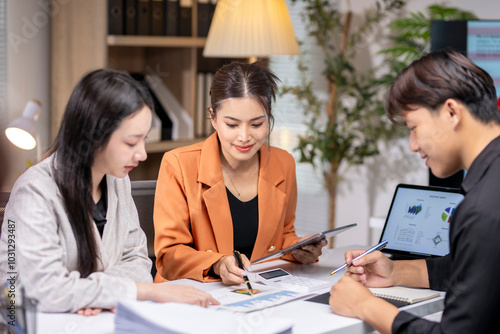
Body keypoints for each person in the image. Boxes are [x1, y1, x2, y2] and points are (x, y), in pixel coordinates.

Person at [0, 69, 218, 315]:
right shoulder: (35, 190)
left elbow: (138, 260)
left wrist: (95, 295)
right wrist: (139, 292)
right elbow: (43, 289)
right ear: (93, 134)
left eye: (144, 139)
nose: (142, 154)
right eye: (130, 142)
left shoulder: (117, 180)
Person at [328, 49, 500, 333]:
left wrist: (365, 306)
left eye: (413, 127)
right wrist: (398, 271)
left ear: (451, 112)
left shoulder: (483, 208)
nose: (412, 145)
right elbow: (479, 271)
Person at [154, 61, 326, 284]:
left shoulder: (283, 163)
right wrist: (216, 264)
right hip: (192, 294)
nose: (244, 137)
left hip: (254, 291)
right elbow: (168, 255)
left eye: (256, 124)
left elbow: (281, 237)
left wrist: (300, 249)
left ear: (269, 116)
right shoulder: (178, 163)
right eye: (232, 125)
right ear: (213, 118)